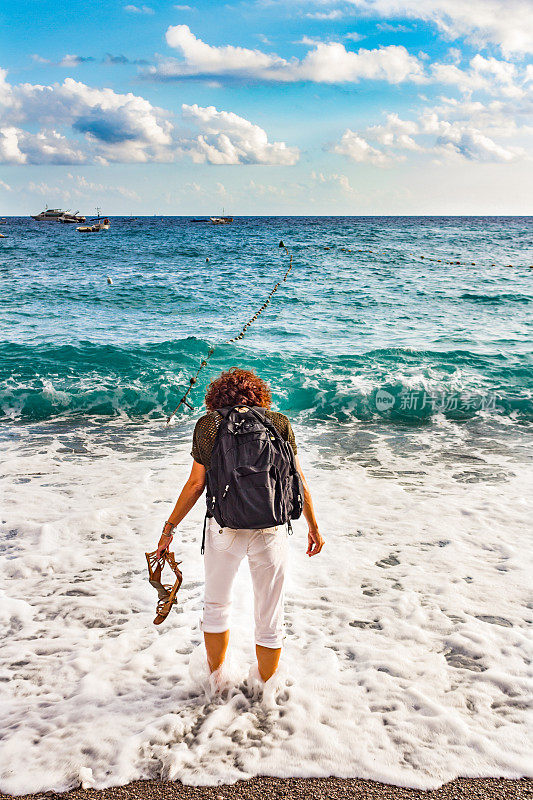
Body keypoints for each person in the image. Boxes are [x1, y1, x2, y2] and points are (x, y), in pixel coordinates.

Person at [155, 368, 324, 682]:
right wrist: (313, 527)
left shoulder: (209, 424)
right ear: (260, 395)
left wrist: (168, 530)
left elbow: (195, 485)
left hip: (225, 529)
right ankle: (266, 695)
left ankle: (217, 685)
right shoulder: (278, 423)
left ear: (215, 397)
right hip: (271, 529)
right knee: (270, 618)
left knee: (216, 606)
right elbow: (298, 479)